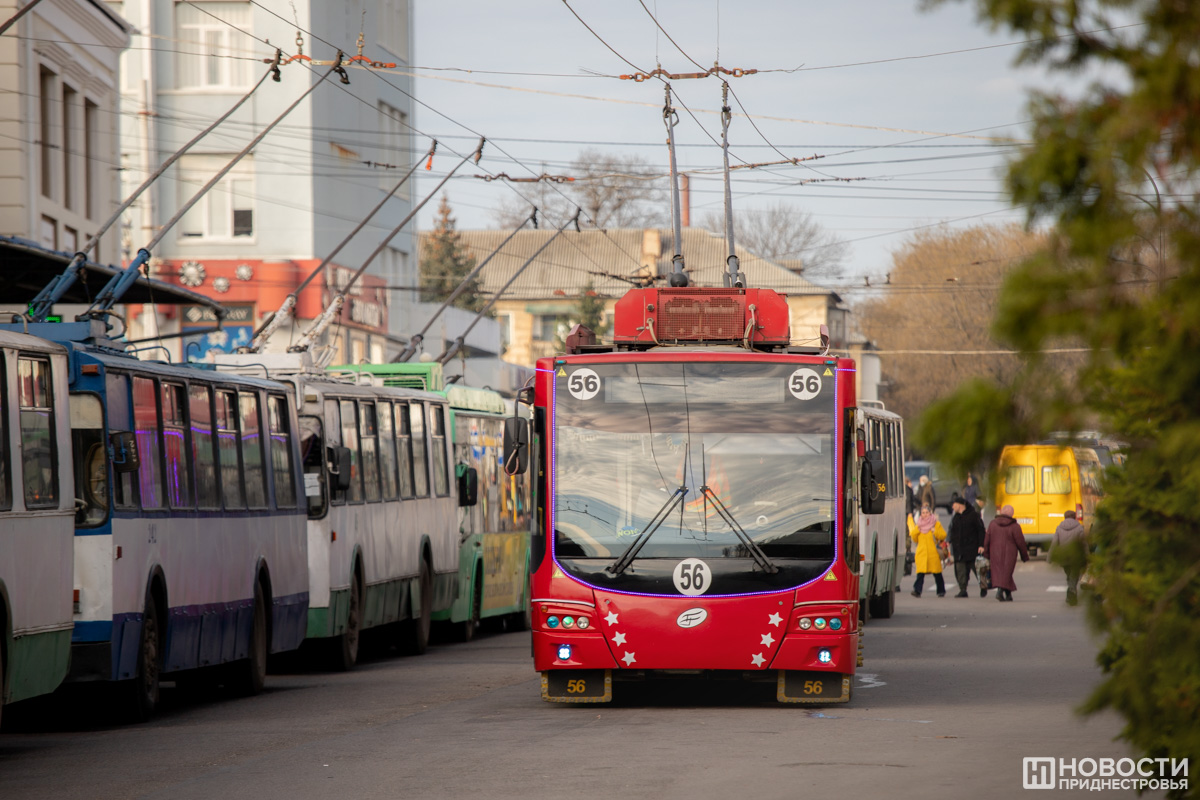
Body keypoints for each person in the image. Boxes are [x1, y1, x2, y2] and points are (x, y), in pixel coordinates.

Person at [983, 504, 1029, 601]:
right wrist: (1024, 556)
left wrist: (986, 554)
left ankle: (1008, 595)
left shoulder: (992, 524)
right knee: (1006, 573)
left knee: (1003, 573)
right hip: (1010, 554)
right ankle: (1000, 592)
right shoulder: (1015, 526)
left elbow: (987, 540)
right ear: (1012, 514)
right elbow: (1020, 542)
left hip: (994, 553)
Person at [948, 494, 987, 597]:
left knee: (978, 570)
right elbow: (952, 531)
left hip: (972, 550)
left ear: (960, 505)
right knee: (960, 572)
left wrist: (981, 545)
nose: (952, 507)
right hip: (959, 551)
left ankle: (983, 587)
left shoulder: (973, 515)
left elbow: (981, 530)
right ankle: (963, 590)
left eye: (954, 505)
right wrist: (950, 542)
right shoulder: (956, 518)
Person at [907, 503, 947, 597]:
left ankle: (941, 591)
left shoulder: (936, 524)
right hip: (922, 553)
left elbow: (943, 535)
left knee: (937, 574)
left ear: (930, 513)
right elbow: (914, 538)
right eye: (923, 513)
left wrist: (935, 531)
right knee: (920, 574)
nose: (925, 514)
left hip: (933, 554)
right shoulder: (919, 524)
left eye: (927, 512)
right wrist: (917, 530)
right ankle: (917, 591)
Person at [1049, 510, 1087, 605]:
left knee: (1069, 575)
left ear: (1064, 517)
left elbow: (1054, 543)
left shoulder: (1059, 528)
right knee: (1074, 575)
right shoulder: (1079, 528)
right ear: (1075, 517)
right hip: (1076, 557)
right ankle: (1071, 592)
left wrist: (1050, 557)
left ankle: (1071, 594)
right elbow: (1083, 543)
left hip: (1064, 557)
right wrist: (1087, 555)